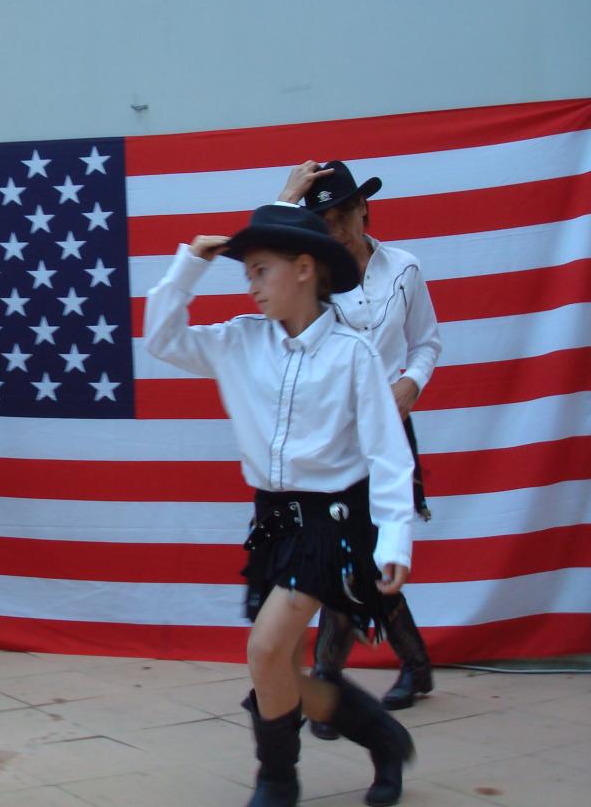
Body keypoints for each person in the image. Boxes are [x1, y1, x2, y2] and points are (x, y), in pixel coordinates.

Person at [143, 203, 416, 807]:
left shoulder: (352, 353)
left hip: (333, 523)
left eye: (260, 270)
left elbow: (387, 452)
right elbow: (161, 337)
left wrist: (396, 537)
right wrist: (189, 265)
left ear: (302, 268)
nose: (250, 283)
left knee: (264, 650)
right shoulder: (239, 340)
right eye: (246, 272)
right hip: (271, 522)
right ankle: (383, 737)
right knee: (279, 671)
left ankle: (277, 780)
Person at [277, 161, 439, 726]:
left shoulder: (405, 268)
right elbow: (266, 270)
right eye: (321, 220)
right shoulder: (309, 276)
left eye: (342, 215)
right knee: (343, 553)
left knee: (364, 556)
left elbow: (426, 343)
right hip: (330, 434)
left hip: (388, 429)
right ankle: (394, 670)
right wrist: (284, 196)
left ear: (363, 208)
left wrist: (409, 384)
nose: (334, 229)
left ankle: (333, 681)